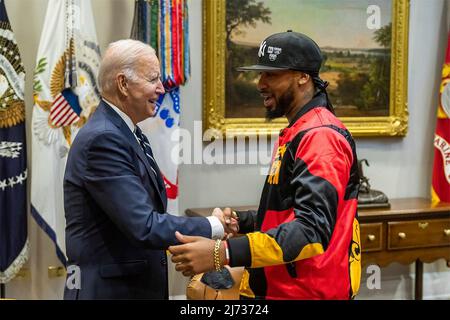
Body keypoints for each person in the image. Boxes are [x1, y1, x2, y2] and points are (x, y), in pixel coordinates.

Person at [169, 31, 361, 300]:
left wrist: (222, 253)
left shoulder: (320, 136)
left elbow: (311, 230)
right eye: (260, 74)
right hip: (281, 289)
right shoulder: (299, 130)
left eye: (271, 74)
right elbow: (289, 212)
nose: (260, 83)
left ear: (303, 76)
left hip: (307, 293)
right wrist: (242, 221)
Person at [63, 39, 235, 299]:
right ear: (123, 84)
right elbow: (144, 225)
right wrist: (213, 225)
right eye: (153, 79)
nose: (161, 88)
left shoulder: (126, 132)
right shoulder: (104, 139)